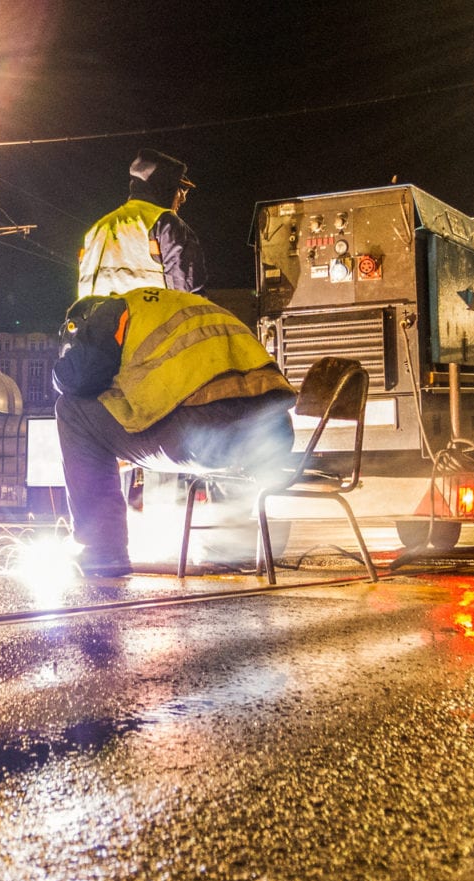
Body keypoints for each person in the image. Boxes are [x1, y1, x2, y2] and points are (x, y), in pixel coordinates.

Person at [54, 287, 297, 576]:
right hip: (275, 435)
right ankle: (233, 547)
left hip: (207, 433)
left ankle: (103, 553)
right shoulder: (182, 305)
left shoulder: (109, 311)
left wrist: (60, 368)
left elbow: (80, 377)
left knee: (71, 409)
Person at [77, 149, 206, 298]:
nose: (183, 198)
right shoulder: (166, 224)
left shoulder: (97, 229)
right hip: (152, 320)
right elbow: (188, 296)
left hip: (96, 321)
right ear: (164, 185)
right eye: (180, 189)